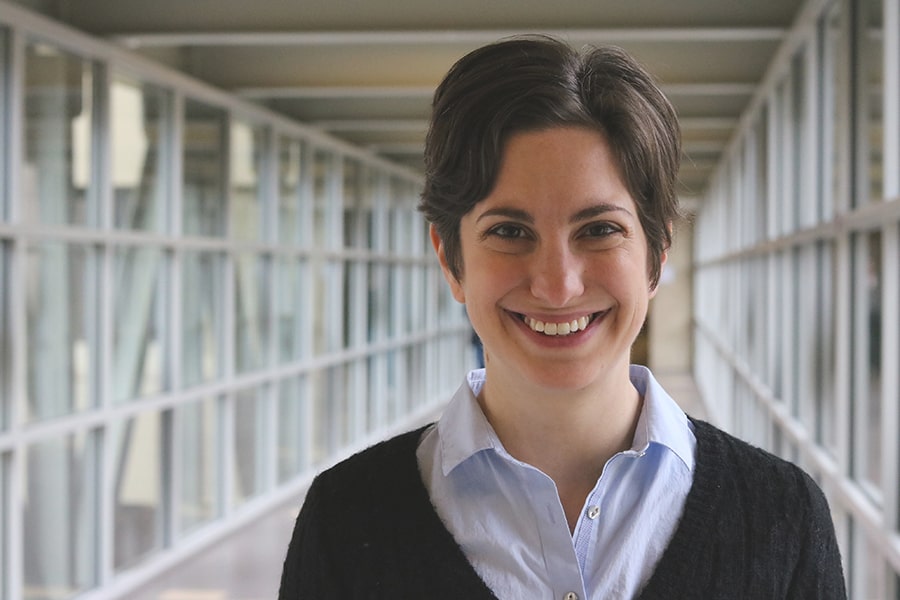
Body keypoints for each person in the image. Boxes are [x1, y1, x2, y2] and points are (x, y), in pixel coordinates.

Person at [278, 36, 846, 599]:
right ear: (451, 260)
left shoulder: (785, 519)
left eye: (599, 230)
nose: (557, 285)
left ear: (656, 255)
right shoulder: (344, 522)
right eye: (509, 232)